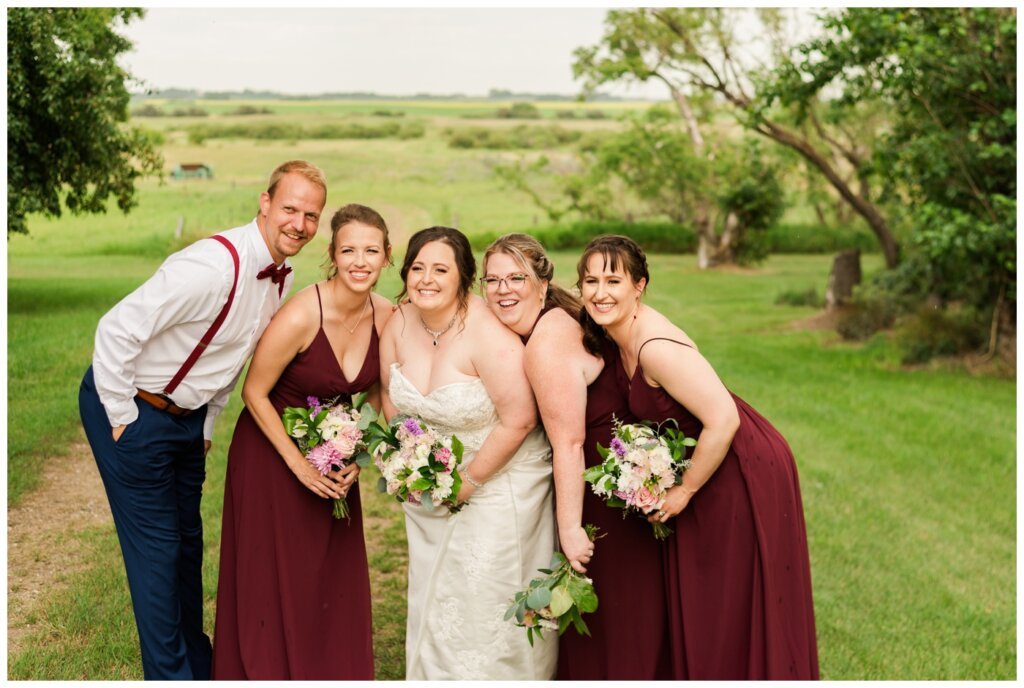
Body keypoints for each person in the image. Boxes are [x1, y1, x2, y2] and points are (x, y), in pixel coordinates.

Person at [78, 160, 327, 680]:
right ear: (264, 202)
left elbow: (230, 356)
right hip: (133, 408)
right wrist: (124, 418)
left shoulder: (281, 275)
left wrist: (208, 423)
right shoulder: (212, 267)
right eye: (290, 209)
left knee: (188, 545)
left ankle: (201, 665)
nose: (299, 224)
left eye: (311, 215)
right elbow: (116, 330)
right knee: (158, 552)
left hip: (188, 423)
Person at [576, 234, 819, 680]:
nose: (599, 292)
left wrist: (684, 490)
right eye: (590, 280)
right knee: (708, 596)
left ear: (640, 285)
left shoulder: (653, 348)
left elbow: (723, 419)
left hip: (737, 464)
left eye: (614, 279)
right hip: (710, 460)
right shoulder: (617, 335)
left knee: (731, 595)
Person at [211, 204, 393, 679]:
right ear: (332, 255)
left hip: (333, 458)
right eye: (348, 249)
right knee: (275, 576)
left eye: (371, 250)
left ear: (387, 257)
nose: (360, 260)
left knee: (329, 575)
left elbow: (378, 395)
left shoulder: (388, 316)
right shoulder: (301, 314)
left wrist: (362, 453)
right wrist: (299, 466)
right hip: (271, 456)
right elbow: (254, 392)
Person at [481, 233, 671, 679]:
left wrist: (568, 529)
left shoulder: (547, 341)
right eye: (492, 280)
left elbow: (569, 442)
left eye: (516, 278)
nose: (503, 289)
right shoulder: (557, 316)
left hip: (603, 488)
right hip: (610, 475)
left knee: (615, 617)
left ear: (542, 284)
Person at [378, 227, 557, 680]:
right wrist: (411, 462)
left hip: (502, 482)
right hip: (432, 487)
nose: (426, 279)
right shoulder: (398, 323)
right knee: (436, 599)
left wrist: (467, 482)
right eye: (417, 268)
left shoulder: (487, 334)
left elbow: (520, 420)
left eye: (441, 269)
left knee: (483, 599)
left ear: (463, 277)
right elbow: (391, 398)